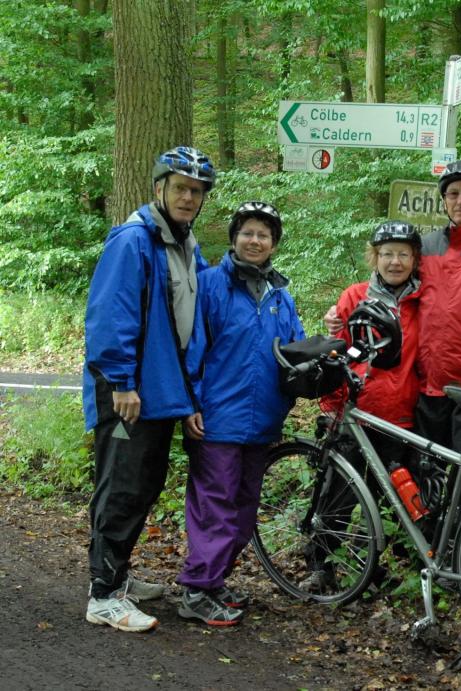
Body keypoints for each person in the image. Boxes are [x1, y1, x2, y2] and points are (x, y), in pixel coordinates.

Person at [82, 146, 215, 632]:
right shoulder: (134, 240)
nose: (188, 197)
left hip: (159, 388)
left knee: (143, 483)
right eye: (180, 188)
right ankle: (104, 595)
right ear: (159, 188)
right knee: (123, 485)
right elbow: (109, 314)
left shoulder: (184, 244)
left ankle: (115, 574)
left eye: (196, 191)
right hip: (127, 389)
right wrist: (121, 382)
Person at [325, 161, 461, 455]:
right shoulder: (427, 247)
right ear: (444, 201)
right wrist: (340, 312)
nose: (460, 200)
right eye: (453, 194)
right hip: (426, 388)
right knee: (426, 473)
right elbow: (394, 287)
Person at [177, 201, 306, 626]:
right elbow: (192, 348)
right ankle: (197, 590)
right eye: (247, 233)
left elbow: (295, 351)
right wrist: (191, 403)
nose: (255, 241)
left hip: (263, 420)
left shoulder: (280, 295)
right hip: (216, 419)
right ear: (234, 238)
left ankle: (214, 581)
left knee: (244, 510)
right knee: (214, 507)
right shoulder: (210, 285)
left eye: (263, 235)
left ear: (274, 244)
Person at [320, 221, 422, 453]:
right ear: (376, 257)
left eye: (403, 254)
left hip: (405, 417)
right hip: (357, 411)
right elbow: (338, 353)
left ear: (414, 259)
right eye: (387, 254)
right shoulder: (354, 296)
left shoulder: (424, 301)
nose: (395, 262)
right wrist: (333, 406)